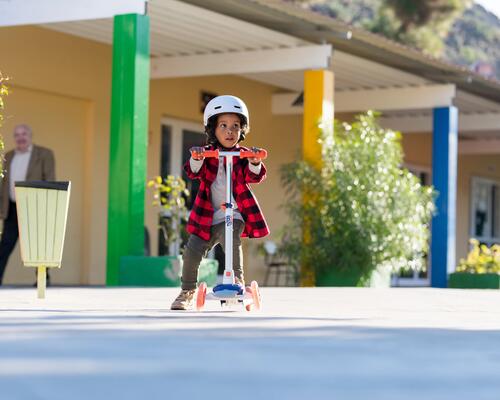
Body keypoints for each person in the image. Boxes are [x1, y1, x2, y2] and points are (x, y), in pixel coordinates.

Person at [171, 95, 269, 310]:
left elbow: (255, 176)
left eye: (235, 126)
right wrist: (197, 158)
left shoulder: (243, 155)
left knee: (231, 239)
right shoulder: (208, 155)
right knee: (192, 250)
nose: (229, 131)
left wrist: (254, 162)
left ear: (242, 130)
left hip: (234, 213)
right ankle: (187, 290)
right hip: (208, 216)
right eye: (223, 125)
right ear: (212, 129)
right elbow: (192, 171)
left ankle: (237, 282)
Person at [0, 124, 55, 285]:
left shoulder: (44, 154)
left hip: (35, 207)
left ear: (30, 135)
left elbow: (50, 180)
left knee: (38, 246)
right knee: (5, 245)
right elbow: (3, 183)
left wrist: (46, 207)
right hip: (11, 207)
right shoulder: (9, 156)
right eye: (17, 135)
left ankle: (42, 280)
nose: (20, 137)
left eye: (24, 134)